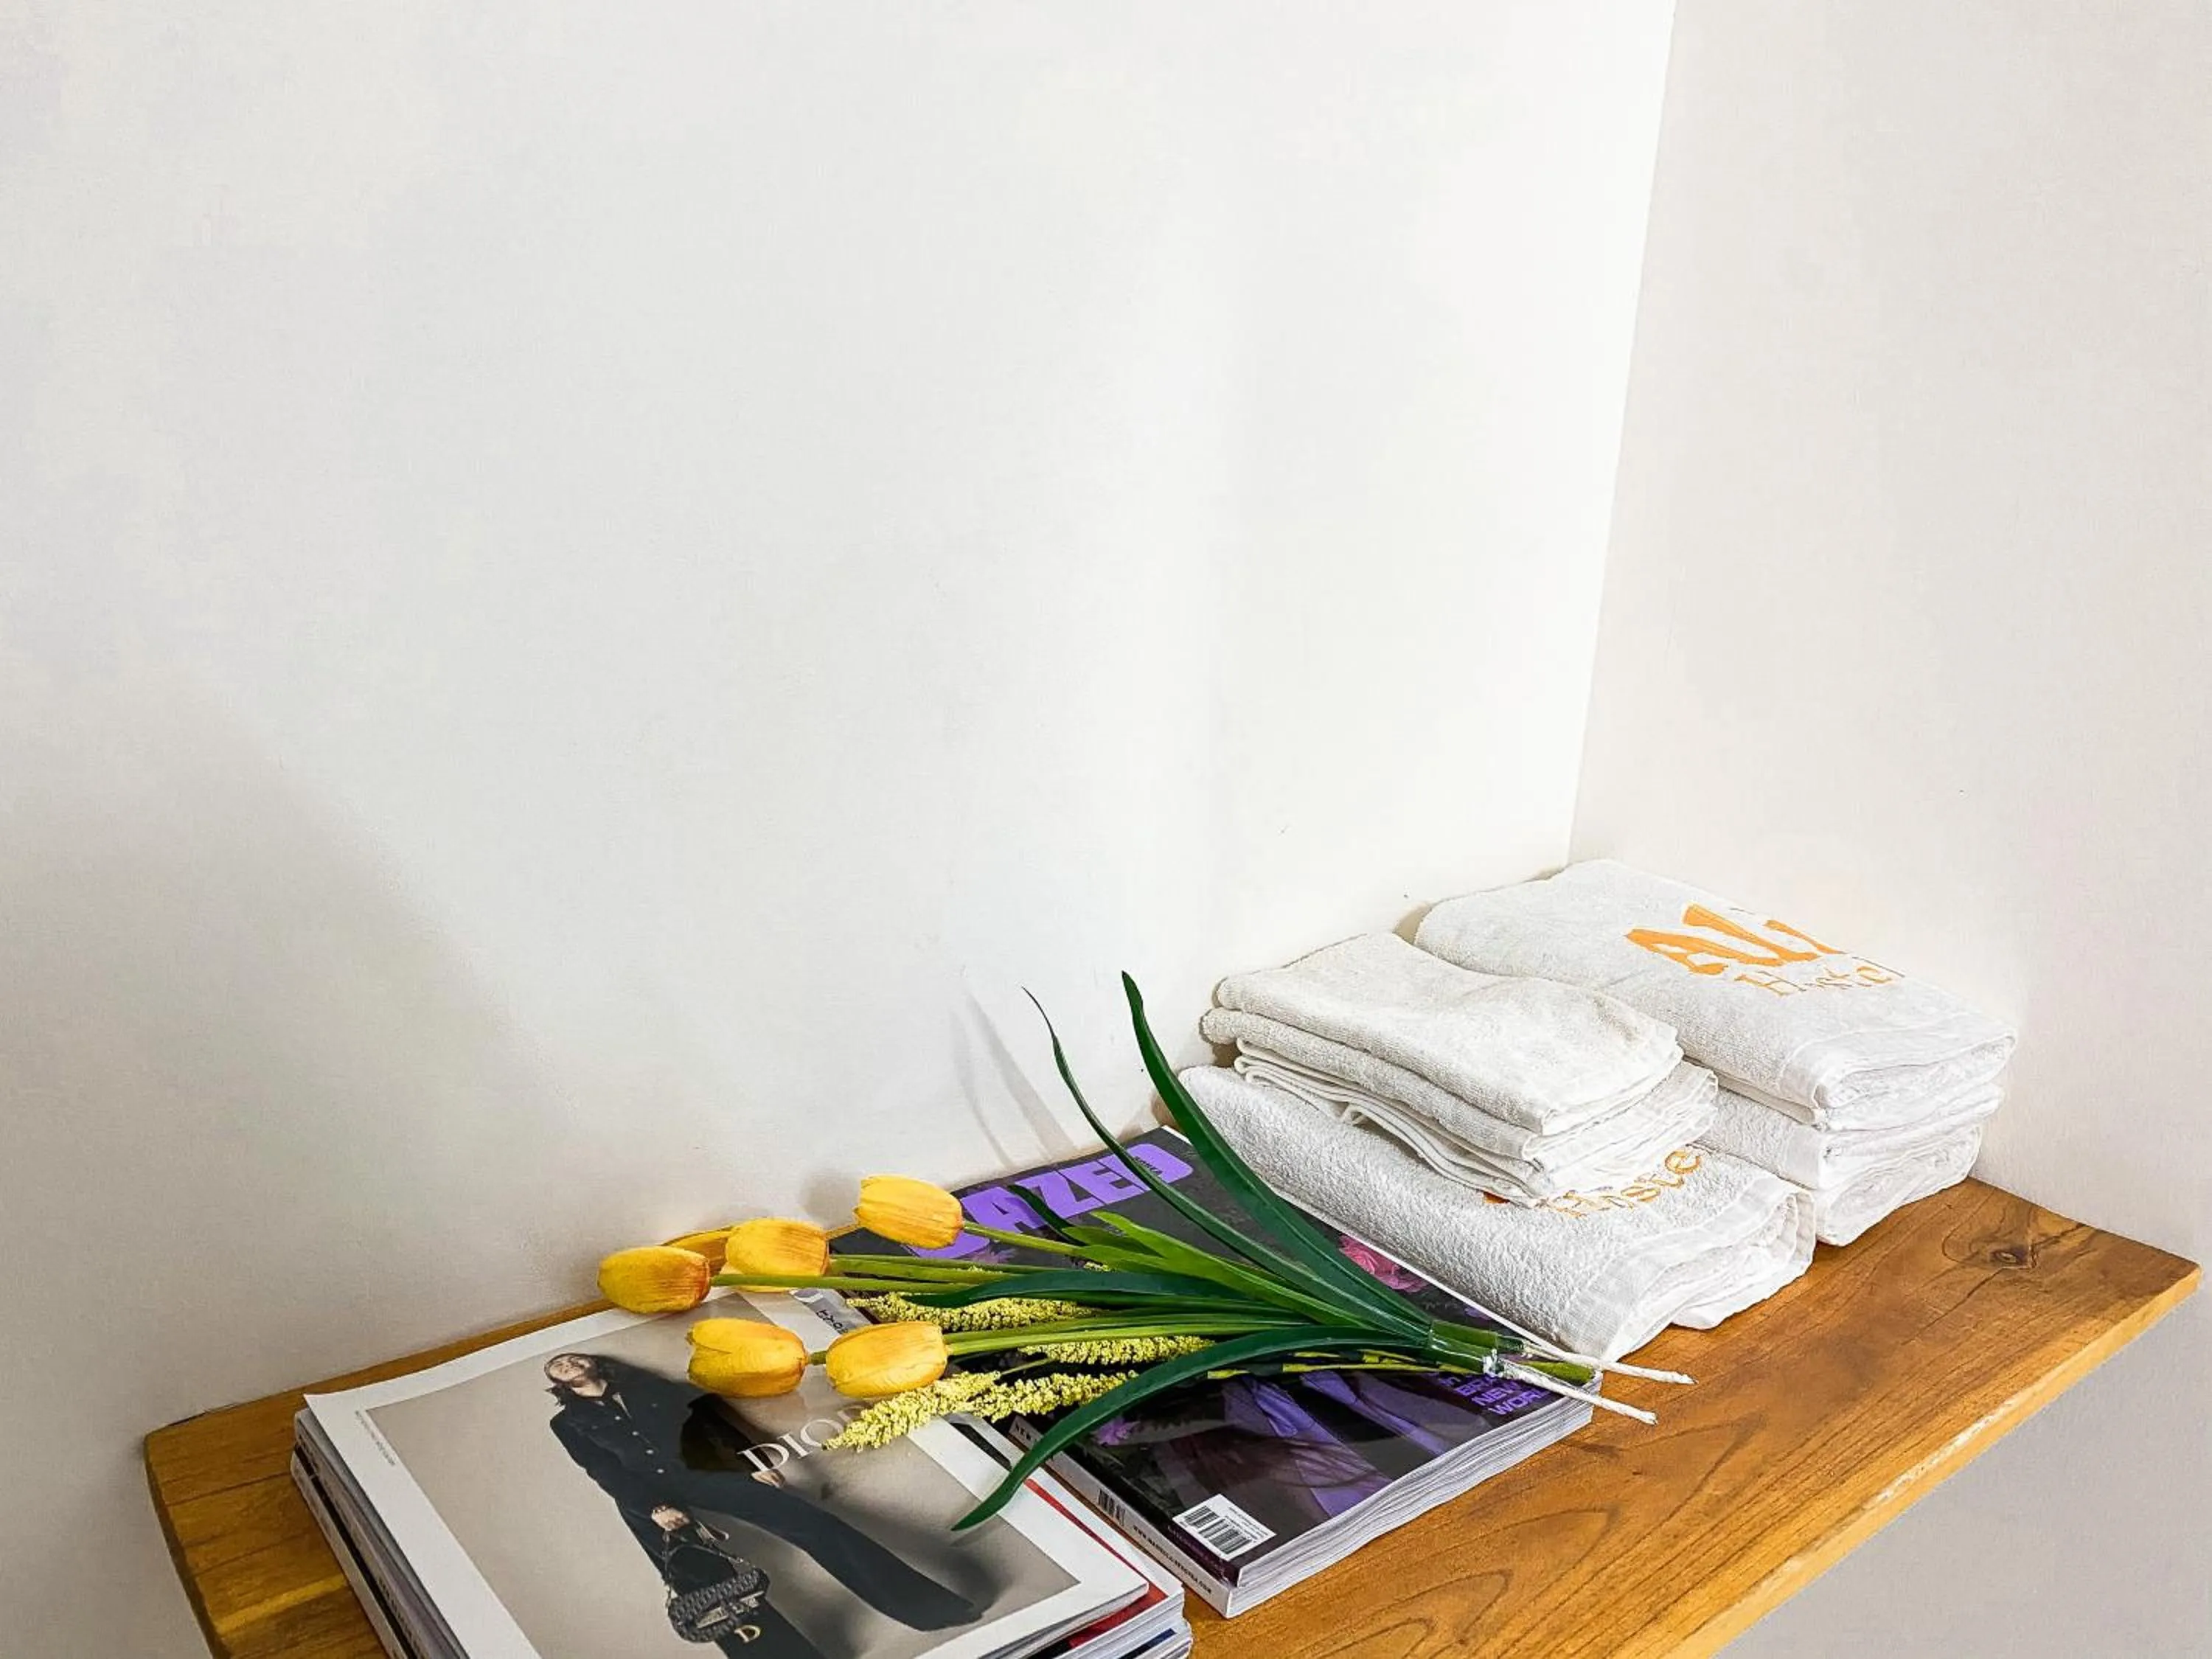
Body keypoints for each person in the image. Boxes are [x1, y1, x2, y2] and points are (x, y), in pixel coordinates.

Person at [543, 1352, 978, 1655]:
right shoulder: (567, 1423)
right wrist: (654, 1507)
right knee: (705, 1588)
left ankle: (928, 1609)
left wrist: (748, 1463)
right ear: (558, 1383)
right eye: (559, 1366)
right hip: (645, 1495)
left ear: (594, 1363)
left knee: (818, 1528)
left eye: (574, 1358)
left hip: (704, 1472)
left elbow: (707, 1423)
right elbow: (602, 1470)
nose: (569, 1364)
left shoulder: (652, 1387)